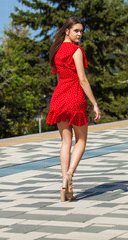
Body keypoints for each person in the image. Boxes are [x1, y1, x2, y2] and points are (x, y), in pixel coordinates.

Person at [46, 17, 101, 202]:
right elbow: (82, 80)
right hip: (74, 97)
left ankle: (66, 186)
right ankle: (69, 174)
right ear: (67, 30)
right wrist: (94, 103)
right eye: (76, 30)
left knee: (65, 142)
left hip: (59, 97)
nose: (79, 34)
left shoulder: (57, 51)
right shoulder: (76, 51)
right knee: (82, 140)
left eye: (81, 31)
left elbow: (60, 75)